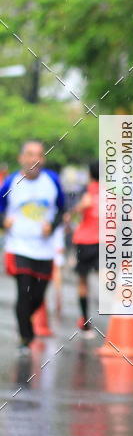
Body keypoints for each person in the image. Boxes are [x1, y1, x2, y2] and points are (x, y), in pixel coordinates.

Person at [0, 140, 65, 355]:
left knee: (37, 296)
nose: (34, 160)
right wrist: (3, 222)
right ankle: (25, 337)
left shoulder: (52, 181)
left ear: (43, 159)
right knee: (24, 290)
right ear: (21, 158)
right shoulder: (11, 182)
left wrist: (52, 225)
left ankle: (24, 319)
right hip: (18, 246)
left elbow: (62, 210)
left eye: (38, 155)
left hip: (44, 249)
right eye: (29, 154)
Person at [71, 160, 100, 336]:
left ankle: (85, 320)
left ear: (89, 174)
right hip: (102, 242)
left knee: (83, 282)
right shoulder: (111, 193)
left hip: (86, 241)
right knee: (104, 279)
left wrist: (79, 208)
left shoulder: (85, 191)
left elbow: (72, 216)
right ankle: (86, 319)